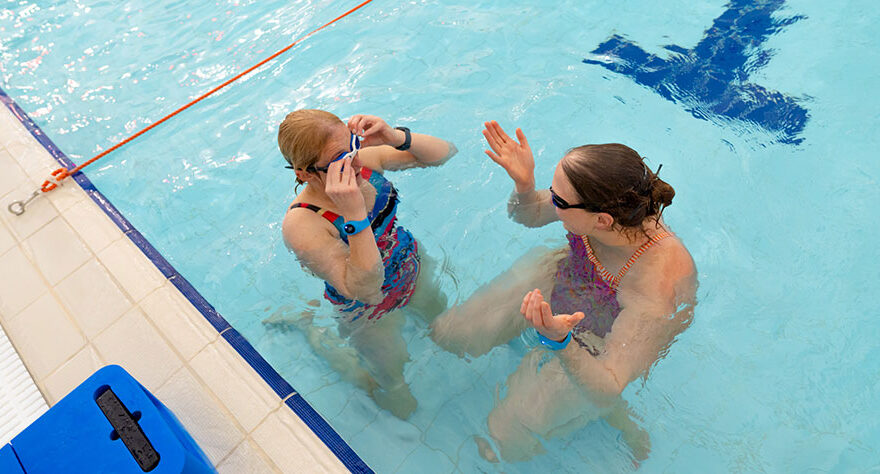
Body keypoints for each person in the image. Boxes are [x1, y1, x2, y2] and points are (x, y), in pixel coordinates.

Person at [431, 121, 697, 462]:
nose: (550, 202)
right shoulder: (598, 209)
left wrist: (559, 341)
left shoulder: (657, 280)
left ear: (601, 221)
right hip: (567, 274)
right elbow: (526, 215)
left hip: (603, 333)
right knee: (449, 334)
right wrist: (524, 183)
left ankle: (614, 417)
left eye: (558, 199)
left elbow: (608, 384)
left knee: (504, 434)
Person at [273, 109, 455, 419]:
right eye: (340, 162)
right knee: (396, 394)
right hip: (367, 310)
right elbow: (366, 289)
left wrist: (396, 137)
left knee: (448, 332)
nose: (355, 162)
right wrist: (355, 214)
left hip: (410, 265)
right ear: (303, 172)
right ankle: (309, 329)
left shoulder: (364, 162)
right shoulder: (302, 223)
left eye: (353, 148)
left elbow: (445, 154)